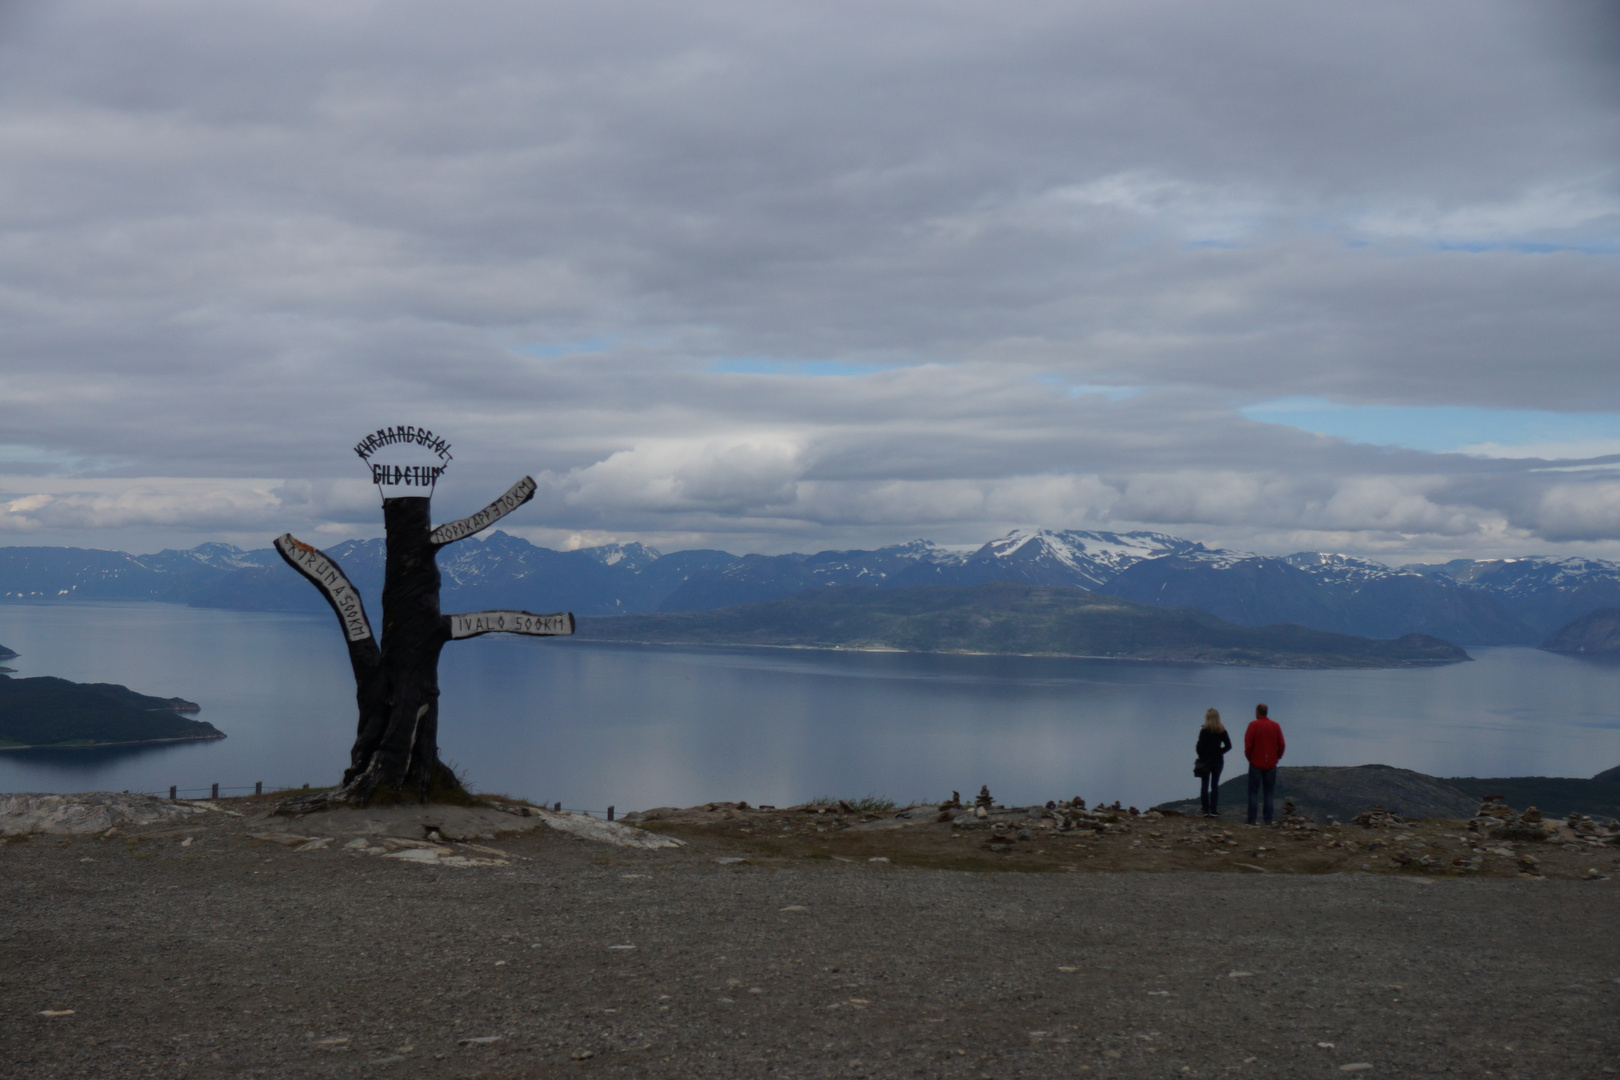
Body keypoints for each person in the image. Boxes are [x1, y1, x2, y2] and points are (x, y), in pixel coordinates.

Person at [1244, 703, 1286, 825]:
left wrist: (1250, 757)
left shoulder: (1253, 725)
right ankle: (1268, 820)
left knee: (1253, 792)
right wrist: (1277, 757)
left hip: (1256, 763)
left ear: (1257, 712)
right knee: (1268, 793)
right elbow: (1282, 744)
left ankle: (1252, 819)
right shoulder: (1275, 726)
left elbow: (1248, 744)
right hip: (1271, 765)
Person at [1195, 708, 1231, 817]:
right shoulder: (1222, 731)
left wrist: (1203, 755)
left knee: (1204, 786)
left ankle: (1205, 810)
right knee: (1214, 785)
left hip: (1205, 761)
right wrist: (1219, 752)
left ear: (1208, 717)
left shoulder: (1204, 731)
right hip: (1218, 761)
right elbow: (1229, 746)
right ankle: (1214, 810)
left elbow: (1199, 748)